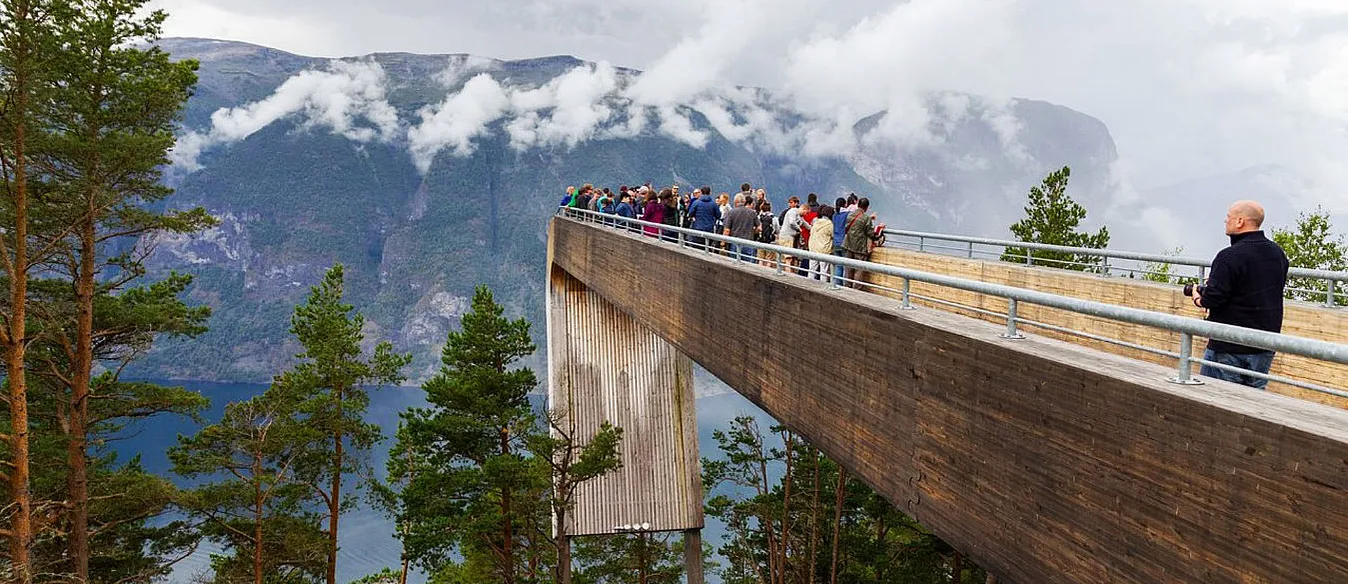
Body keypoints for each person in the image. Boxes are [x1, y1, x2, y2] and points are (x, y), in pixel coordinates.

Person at [1191, 200, 1289, 389]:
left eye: (1228, 217)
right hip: (1265, 344)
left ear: (1240, 221)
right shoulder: (1277, 253)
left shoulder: (1229, 256)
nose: (1225, 221)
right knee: (1253, 404)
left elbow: (1212, 299)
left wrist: (1197, 295)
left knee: (1216, 401)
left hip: (1229, 346)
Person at [841, 197, 884, 288]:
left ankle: (847, 286)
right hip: (859, 247)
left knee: (848, 268)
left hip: (848, 245)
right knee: (858, 269)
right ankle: (856, 289)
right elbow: (870, 233)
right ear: (867, 207)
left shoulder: (850, 215)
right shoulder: (866, 218)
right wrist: (879, 230)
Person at [723, 193, 758, 263]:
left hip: (735, 243)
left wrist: (723, 243)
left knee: (734, 264)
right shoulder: (752, 212)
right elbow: (759, 228)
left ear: (735, 202)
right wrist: (753, 232)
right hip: (748, 243)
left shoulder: (731, 212)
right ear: (744, 202)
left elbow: (727, 230)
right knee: (748, 265)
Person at [809, 205, 835, 280]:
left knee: (812, 269)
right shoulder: (829, 224)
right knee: (824, 270)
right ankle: (822, 286)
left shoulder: (816, 222)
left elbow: (811, 232)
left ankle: (809, 284)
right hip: (824, 249)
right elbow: (832, 235)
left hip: (813, 248)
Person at [832, 197, 850, 286]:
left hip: (835, 242)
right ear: (845, 204)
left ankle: (837, 284)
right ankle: (844, 285)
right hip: (843, 242)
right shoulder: (847, 214)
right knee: (846, 266)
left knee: (838, 266)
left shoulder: (834, 215)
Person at [756, 201, 779, 267]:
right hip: (770, 241)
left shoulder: (759, 217)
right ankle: (767, 271)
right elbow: (777, 229)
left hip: (760, 240)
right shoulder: (773, 218)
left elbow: (756, 227)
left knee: (760, 259)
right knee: (769, 259)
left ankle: (760, 272)